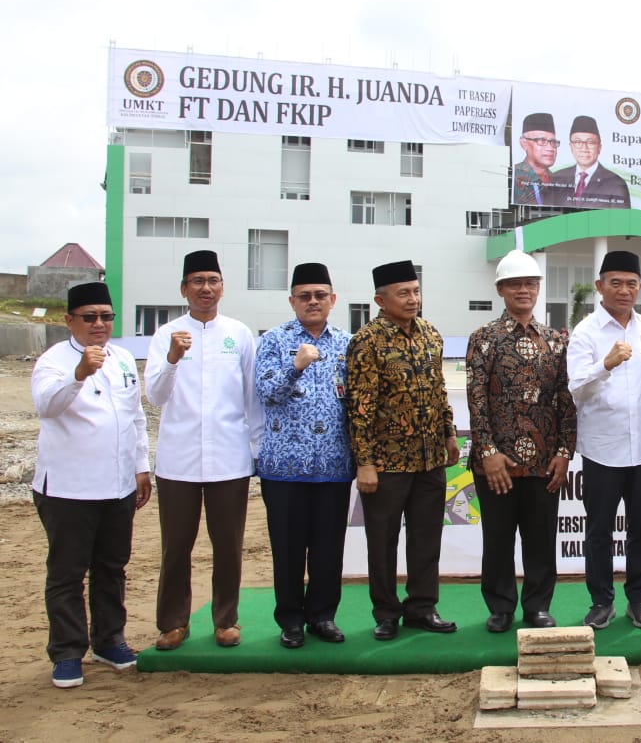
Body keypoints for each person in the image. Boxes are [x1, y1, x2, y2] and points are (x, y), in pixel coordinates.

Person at [31, 282, 150, 688]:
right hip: (68, 488)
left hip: (116, 485)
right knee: (67, 573)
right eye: (89, 317)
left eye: (106, 316)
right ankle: (67, 652)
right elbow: (47, 406)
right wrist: (79, 373)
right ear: (69, 321)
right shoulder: (53, 361)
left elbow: (135, 416)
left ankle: (109, 639)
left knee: (112, 567)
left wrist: (140, 467)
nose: (99, 324)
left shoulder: (121, 359)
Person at [145, 250, 263, 651]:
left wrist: (257, 448)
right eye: (197, 281)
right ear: (184, 289)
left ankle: (225, 620)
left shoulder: (239, 334)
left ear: (222, 287)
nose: (206, 288)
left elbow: (253, 399)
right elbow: (156, 395)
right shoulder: (166, 334)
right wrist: (173, 359)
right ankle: (173, 623)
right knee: (176, 546)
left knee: (227, 545)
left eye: (213, 280)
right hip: (178, 461)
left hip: (229, 459)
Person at [346, 260, 460, 640]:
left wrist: (448, 435)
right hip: (388, 462)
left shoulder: (430, 334)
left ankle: (422, 607)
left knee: (427, 536)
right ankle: (386, 612)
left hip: (429, 458)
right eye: (403, 293)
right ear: (381, 300)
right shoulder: (368, 341)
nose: (413, 299)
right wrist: (365, 463)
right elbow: (359, 408)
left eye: (415, 291)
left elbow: (439, 390)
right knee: (382, 540)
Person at [465, 250, 576, 633]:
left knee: (541, 538)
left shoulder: (556, 341)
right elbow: (476, 399)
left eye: (530, 283)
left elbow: (566, 400)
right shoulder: (484, 339)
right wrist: (488, 453)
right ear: (500, 289)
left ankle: (537, 607)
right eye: (515, 283)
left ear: (539, 288)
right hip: (497, 463)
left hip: (544, 461)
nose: (524, 290)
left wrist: (564, 452)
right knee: (497, 538)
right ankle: (500, 608)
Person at [253, 263, 353, 649]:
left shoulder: (346, 342)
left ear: (332, 300)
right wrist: (296, 366)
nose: (313, 302)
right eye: (305, 296)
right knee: (289, 548)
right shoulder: (275, 341)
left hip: (333, 465)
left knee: (329, 548)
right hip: (284, 468)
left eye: (320, 295)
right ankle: (291, 620)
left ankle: (323, 616)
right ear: (292, 301)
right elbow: (266, 393)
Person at [568, 250, 641, 629]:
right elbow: (576, 387)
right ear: (600, 286)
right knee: (599, 530)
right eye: (615, 283)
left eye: (631, 284)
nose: (623, 291)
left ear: (639, 287)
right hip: (601, 449)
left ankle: (639, 599)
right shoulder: (585, 332)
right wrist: (604, 364)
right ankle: (600, 601)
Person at [552, 116, 630, 208]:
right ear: (571, 147)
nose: (584, 148)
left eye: (590, 143)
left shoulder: (616, 184)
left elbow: (622, 221)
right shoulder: (556, 178)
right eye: (578, 142)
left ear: (599, 148)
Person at [512, 113, 565, 207]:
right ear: (524, 143)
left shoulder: (559, 182)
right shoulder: (514, 175)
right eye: (541, 141)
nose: (550, 148)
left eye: (553, 142)